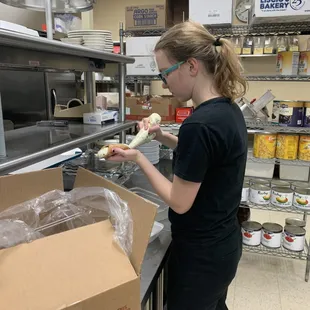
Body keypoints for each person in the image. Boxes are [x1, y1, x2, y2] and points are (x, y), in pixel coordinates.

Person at [110, 21, 248, 310]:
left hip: (201, 257)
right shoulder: (226, 110)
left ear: (192, 66)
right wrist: (161, 136)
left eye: (165, 73)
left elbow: (179, 201)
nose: (164, 83)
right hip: (225, 245)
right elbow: (206, 155)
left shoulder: (199, 124)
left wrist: (138, 157)